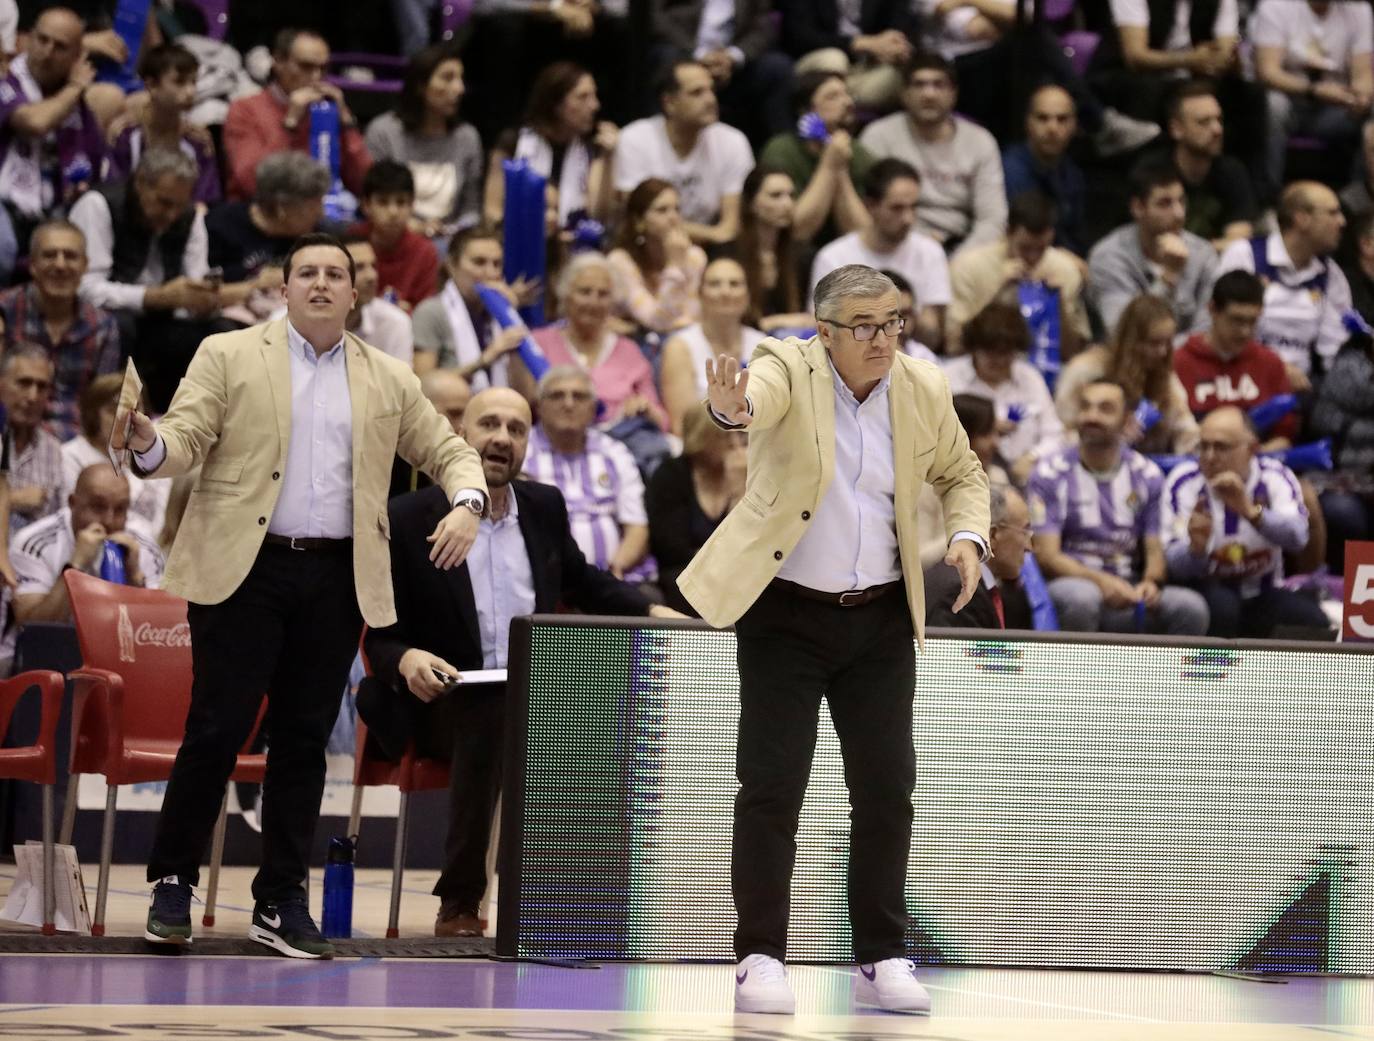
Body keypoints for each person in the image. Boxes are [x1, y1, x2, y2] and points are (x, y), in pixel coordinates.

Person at [122, 232, 487, 959]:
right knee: (217, 728)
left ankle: (281, 898)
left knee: (304, 741)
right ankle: (172, 881)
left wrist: (469, 502)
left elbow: (447, 448)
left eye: (335, 274)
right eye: (307, 273)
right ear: (284, 289)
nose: (321, 283)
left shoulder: (388, 375)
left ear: (355, 293)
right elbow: (183, 440)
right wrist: (145, 442)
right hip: (244, 568)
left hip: (335, 576)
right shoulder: (227, 354)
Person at [679, 263, 990, 1015]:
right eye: (865, 326)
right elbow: (754, 398)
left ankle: (880, 956)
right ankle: (759, 954)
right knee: (772, 786)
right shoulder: (790, 364)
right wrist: (730, 407)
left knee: (887, 789)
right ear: (825, 333)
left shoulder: (922, 385)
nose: (884, 338)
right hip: (785, 615)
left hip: (880, 617)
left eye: (894, 321)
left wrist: (967, 535)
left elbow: (962, 472)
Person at [361, 387, 672, 935]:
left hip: (529, 700)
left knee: (600, 706)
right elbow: (380, 635)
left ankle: (585, 899)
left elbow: (585, 582)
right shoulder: (409, 517)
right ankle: (461, 900)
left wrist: (654, 610)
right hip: (441, 702)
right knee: (490, 710)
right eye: (489, 425)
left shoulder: (543, 507)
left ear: (529, 443)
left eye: (516, 429)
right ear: (460, 435)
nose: (502, 438)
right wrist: (407, 659)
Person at [1028, 379, 1210, 634]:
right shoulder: (1048, 474)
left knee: (1190, 608)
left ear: (1127, 420)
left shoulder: (1147, 475)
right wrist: (1101, 581)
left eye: (1105, 409)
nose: (1092, 416)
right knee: (1082, 599)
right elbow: (1047, 556)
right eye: (1086, 407)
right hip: (1072, 583)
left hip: (1128, 583)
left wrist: (1151, 582)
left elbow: (1154, 548)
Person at [68, 147, 224, 411]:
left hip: (163, 320)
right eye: (164, 202)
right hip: (112, 317)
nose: (172, 214)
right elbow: (85, 288)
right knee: (121, 325)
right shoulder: (99, 205)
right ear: (140, 183)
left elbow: (195, 280)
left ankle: (190, 422)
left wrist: (203, 301)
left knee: (220, 332)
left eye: (179, 205)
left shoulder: (190, 216)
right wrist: (153, 297)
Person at [1161, 406, 1331, 638]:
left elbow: (1298, 538)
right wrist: (1195, 550)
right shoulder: (1183, 482)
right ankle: (1211, 664)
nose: (1209, 457)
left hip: (1263, 593)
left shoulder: (1275, 476)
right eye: (1204, 446)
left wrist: (1252, 513)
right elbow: (1172, 565)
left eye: (1221, 447)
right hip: (1207, 591)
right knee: (1223, 605)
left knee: (1314, 621)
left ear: (1252, 449)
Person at [858, 53, 1006, 253]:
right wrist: (918, 252)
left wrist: (958, 261)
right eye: (919, 85)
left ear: (954, 93)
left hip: (960, 249)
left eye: (939, 85)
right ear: (904, 93)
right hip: (895, 246)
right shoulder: (878, 136)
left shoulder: (981, 141)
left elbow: (993, 219)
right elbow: (867, 209)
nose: (929, 94)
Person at [0, 6, 105, 284]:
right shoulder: (7, 80)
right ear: (28, 38)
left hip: (53, 207)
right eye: (42, 40)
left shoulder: (77, 106)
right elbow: (34, 122)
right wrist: (75, 87)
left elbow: (94, 162)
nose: (47, 52)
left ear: (77, 56)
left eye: (60, 47)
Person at [523, 365, 653, 581]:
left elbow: (637, 527)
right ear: (539, 406)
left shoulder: (614, 452)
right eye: (557, 396)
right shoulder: (523, 453)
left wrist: (615, 571)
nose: (568, 404)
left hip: (616, 578)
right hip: (545, 582)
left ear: (593, 408)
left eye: (579, 396)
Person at [1214, 181, 1351, 384]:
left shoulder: (1331, 274)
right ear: (1302, 219)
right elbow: (1220, 328)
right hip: (1239, 376)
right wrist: (1275, 368)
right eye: (1332, 213)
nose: (1342, 221)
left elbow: (1334, 348)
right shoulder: (1244, 255)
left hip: (1304, 385)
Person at [810, 158, 950, 349]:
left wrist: (908, 317)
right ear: (871, 206)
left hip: (913, 355)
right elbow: (822, 330)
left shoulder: (930, 252)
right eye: (897, 208)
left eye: (913, 207)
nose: (908, 218)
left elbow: (933, 337)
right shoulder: (833, 257)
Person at [0, 219, 119, 441]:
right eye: (49, 255)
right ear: (32, 264)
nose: (60, 265)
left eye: (70, 256)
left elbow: (100, 402)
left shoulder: (103, 326)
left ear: (85, 265)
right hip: (9, 435)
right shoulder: (4, 310)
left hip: (75, 442)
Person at [614, 61, 754, 247]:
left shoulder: (732, 141)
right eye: (697, 93)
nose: (711, 100)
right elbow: (637, 220)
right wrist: (713, 234)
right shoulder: (635, 139)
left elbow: (730, 228)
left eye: (711, 90)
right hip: (648, 249)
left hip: (711, 250)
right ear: (669, 103)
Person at [222, 28, 371, 203]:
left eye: (323, 68)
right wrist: (289, 124)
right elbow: (251, 184)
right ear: (278, 61)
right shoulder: (244, 109)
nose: (316, 76)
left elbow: (367, 185)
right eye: (306, 66)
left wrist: (347, 122)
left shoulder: (327, 110)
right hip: (263, 211)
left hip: (322, 210)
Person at [11, 464, 164, 625]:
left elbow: (160, 630)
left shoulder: (146, 551)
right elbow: (31, 628)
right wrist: (74, 567)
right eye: (98, 507)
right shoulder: (34, 544)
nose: (108, 521)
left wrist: (135, 579)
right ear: (72, 503)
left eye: (120, 509)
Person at [946, 190, 1089, 355]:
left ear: (1052, 236)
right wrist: (996, 293)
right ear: (1008, 233)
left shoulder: (1065, 271)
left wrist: (1059, 307)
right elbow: (953, 346)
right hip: (980, 361)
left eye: (1041, 249)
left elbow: (1072, 353)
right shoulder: (968, 267)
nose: (1032, 258)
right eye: (1025, 248)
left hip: (1044, 364)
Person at [1087, 157, 1216, 338]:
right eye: (1164, 204)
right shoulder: (1108, 257)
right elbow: (1123, 335)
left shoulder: (1203, 254)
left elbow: (1208, 332)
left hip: (1189, 356)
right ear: (1138, 208)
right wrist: (1168, 277)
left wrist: (1179, 352)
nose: (1179, 214)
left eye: (1181, 201)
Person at [365, 43, 482, 242]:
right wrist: (414, 227)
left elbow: (471, 210)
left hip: (449, 240)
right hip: (395, 237)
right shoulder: (384, 132)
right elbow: (372, 199)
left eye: (460, 79)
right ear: (420, 85)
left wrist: (453, 232)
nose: (459, 88)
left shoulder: (467, 137)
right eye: (447, 78)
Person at [1056, 294, 1200, 455]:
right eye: (1154, 343)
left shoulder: (1165, 379)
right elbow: (1061, 434)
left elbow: (1186, 431)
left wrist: (1198, 447)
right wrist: (1109, 437)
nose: (1163, 352)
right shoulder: (1085, 370)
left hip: (1152, 464)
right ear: (1133, 340)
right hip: (1090, 458)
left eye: (1167, 343)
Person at [1253, 0, 1372, 192]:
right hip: (1291, 104)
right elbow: (1267, 72)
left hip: (1336, 108)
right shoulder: (1275, 6)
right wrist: (1314, 90)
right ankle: (1269, 193)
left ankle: (1359, 195)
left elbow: (1363, 74)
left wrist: (1361, 96)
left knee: (1370, 107)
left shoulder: (1358, 9)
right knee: (1275, 103)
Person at [482, 61, 616, 229]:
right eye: (582, 97)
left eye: (594, 96)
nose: (595, 106)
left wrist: (608, 158)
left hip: (574, 239)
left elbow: (598, 215)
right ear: (556, 104)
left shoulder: (591, 148)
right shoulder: (514, 142)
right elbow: (491, 211)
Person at [1173, 271, 1297, 449]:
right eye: (1237, 320)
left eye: (1252, 321)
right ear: (1212, 310)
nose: (1245, 331)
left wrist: (1248, 458)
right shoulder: (1179, 363)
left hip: (1258, 460)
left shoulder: (1270, 363)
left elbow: (1284, 436)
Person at [206, 152, 331, 327]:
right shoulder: (220, 227)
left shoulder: (317, 233)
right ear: (282, 208)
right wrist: (256, 286)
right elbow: (201, 295)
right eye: (313, 206)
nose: (321, 213)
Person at [943, 301, 1063, 485]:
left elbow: (1054, 434)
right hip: (961, 477)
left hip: (1025, 477)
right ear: (974, 348)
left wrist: (1032, 457)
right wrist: (983, 427)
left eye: (1006, 353)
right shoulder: (947, 378)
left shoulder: (1030, 378)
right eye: (991, 353)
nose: (999, 361)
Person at [647, 0, 794, 144]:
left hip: (735, 61)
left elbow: (765, 24)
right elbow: (657, 17)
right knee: (665, 56)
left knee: (777, 67)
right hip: (686, 50)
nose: (709, 100)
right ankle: (657, 143)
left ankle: (781, 151)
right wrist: (699, 54)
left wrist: (733, 57)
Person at [647, 405, 747, 615]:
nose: (734, 444)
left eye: (739, 435)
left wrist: (739, 494)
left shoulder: (746, 474)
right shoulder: (671, 475)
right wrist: (716, 559)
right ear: (701, 437)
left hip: (734, 571)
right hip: (683, 574)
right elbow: (672, 550)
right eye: (725, 436)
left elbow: (746, 545)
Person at [759, 71, 874, 246]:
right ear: (805, 110)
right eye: (832, 97)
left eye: (847, 94)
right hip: (792, 251)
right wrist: (829, 165)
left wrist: (840, 169)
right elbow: (796, 232)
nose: (847, 102)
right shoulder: (781, 150)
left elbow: (863, 237)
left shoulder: (859, 153)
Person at [105, 43, 220, 205]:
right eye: (180, 82)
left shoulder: (198, 141)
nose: (190, 92)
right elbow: (113, 191)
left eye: (193, 82)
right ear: (151, 85)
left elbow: (206, 199)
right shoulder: (126, 135)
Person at [60, 372, 169, 542]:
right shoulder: (70, 456)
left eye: (134, 410)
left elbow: (165, 519)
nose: (124, 419)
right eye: (113, 411)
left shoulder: (151, 455)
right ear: (93, 414)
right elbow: (73, 517)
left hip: (150, 550)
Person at [660, 257, 764, 434]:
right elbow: (682, 426)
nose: (725, 292)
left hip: (757, 442)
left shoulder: (762, 343)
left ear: (748, 295)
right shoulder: (679, 346)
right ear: (700, 294)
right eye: (715, 284)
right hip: (702, 445)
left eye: (734, 284)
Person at [412, 226, 526, 385]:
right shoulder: (430, 312)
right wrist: (485, 359)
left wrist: (509, 316)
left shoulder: (503, 311)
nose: (491, 273)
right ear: (452, 265)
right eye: (479, 262)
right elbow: (422, 386)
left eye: (497, 264)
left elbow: (527, 393)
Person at [1308, 330, 1374, 575]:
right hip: (1342, 479)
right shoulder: (1347, 373)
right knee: (1345, 515)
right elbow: (1323, 427)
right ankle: (1358, 595)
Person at [1160, 81, 1254, 251]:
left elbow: (1238, 244)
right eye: (1204, 122)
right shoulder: (1155, 174)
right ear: (1176, 129)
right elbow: (1151, 243)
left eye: (1219, 120)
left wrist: (1194, 253)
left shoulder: (1232, 172)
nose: (1217, 130)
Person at [607, 179, 707, 336]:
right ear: (639, 221)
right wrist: (674, 267)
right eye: (662, 210)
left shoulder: (695, 257)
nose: (673, 217)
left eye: (677, 209)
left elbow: (692, 318)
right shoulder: (620, 261)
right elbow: (659, 323)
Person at [925, 483, 1031, 629]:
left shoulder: (975, 587)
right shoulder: (961, 592)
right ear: (992, 535)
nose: (1029, 547)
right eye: (1025, 532)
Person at [777, 0, 915, 112]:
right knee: (834, 59)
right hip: (816, 58)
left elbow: (900, 25)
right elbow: (800, 36)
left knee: (893, 75)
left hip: (868, 65)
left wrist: (894, 48)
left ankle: (841, 102)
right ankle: (833, 105)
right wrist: (860, 43)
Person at [1002, 85, 1088, 256]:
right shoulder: (1010, 170)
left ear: (1074, 125)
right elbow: (1026, 234)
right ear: (1028, 122)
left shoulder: (1073, 174)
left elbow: (1076, 234)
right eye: (1043, 118)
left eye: (1062, 119)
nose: (1052, 128)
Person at [351, 160, 441, 314]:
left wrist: (405, 313)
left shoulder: (426, 253)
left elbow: (426, 314)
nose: (393, 212)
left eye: (401, 202)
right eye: (383, 202)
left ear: (412, 205)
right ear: (366, 205)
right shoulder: (350, 244)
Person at [734, 165, 811, 332]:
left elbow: (811, 316)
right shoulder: (729, 253)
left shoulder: (803, 256)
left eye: (791, 195)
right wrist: (774, 322)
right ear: (751, 203)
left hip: (791, 342)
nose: (787, 204)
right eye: (776, 195)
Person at [0, 345, 64, 532]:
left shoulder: (53, 450)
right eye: (24, 383)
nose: (32, 397)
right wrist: (13, 499)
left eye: (42, 387)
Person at [341, 237, 413, 366]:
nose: (372, 276)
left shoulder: (393, 322)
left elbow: (400, 379)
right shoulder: (307, 323)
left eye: (373, 266)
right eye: (359, 268)